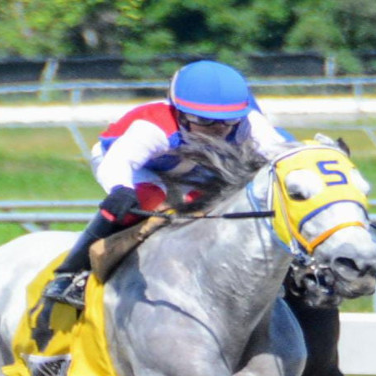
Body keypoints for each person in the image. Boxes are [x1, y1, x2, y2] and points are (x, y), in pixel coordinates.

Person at [42, 60, 291, 308]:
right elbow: (118, 163)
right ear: (179, 113)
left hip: (192, 165)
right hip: (133, 164)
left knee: (223, 202)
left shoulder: (247, 122)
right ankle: (70, 274)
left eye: (228, 120)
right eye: (204, 120)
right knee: (149, 199)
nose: (218, 129)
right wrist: (120, 189)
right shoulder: (154, 127)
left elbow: (282, 156)